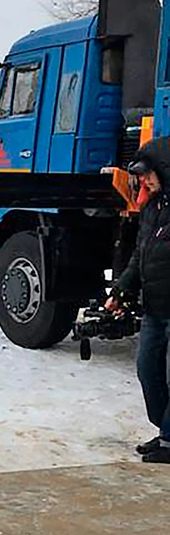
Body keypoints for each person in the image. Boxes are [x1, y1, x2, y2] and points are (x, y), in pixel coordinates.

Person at [106, 137, 170, 463]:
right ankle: (165, 431)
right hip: (156, 307)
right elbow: (139, 254)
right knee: (148, 369)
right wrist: (120, 290)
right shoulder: (154, 209)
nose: (143, 181)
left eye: (148, 174)